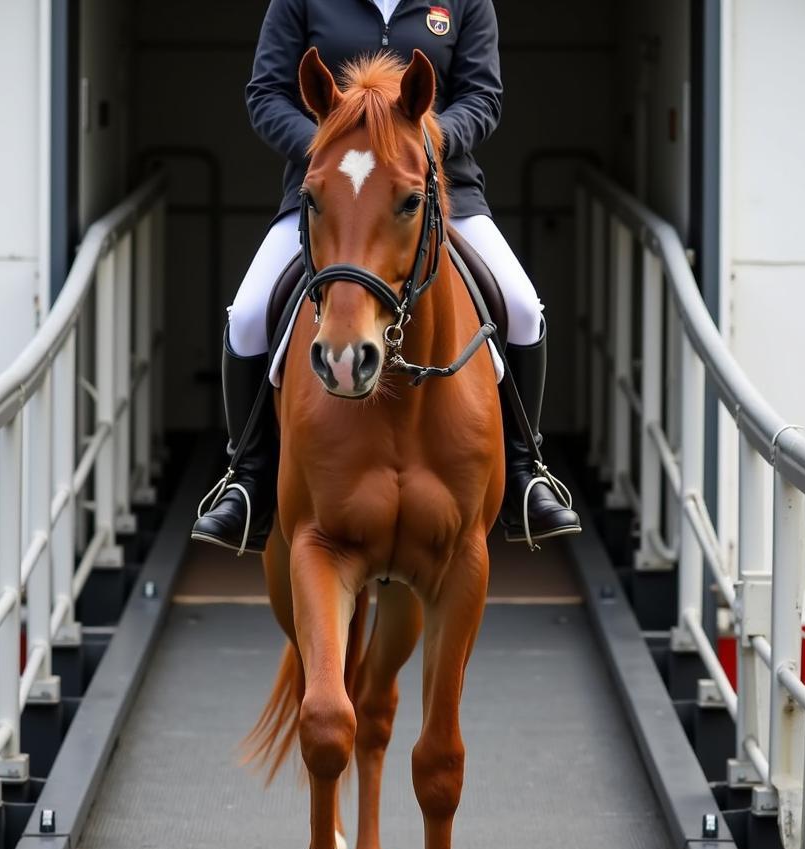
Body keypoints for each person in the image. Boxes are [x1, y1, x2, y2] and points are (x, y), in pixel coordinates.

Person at [192, 0, 578, 552]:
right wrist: (343, 148)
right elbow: (267, 94)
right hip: (334, 195)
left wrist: (412, 145)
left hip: (438, 193)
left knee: (521, 307)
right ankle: (246, 480)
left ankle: (525, 471)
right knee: (249, 316)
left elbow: (483, 97)